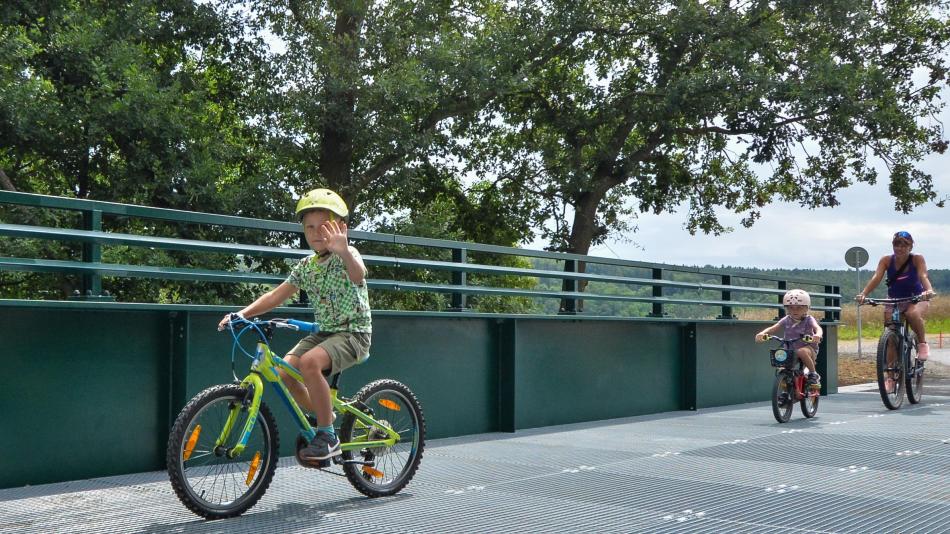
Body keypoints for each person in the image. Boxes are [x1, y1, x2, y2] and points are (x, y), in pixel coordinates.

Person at [217, 188, 372, 463]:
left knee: (309, 363)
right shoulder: (305, 266)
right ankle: (328, 416)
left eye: (323, 226)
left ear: (340, 228)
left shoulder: (349, 254)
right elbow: (276, 295)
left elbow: (357, 275)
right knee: (283, 373)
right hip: (324, 332)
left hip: (353, 334)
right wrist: (242, 314)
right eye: (308, 227)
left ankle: (327, 435)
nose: (315, 233)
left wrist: (344, 251)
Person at [855, 231, 936, 390]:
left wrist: (928, 290)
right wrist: (864, 294)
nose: (899, 248)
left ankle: (922, 343)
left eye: (904, 244)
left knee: (912, 314)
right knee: (891, 337)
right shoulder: (886, 260)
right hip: (894, 300)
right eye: (896, 244)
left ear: (910, 246)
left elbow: (923, 275)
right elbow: (877, 277)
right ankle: (890, 377)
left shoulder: (916, 259)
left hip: (916, 298)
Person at [755, 289, 824, 390]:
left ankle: (813, 374)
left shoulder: (809, 319)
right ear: (787, 309)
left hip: (808, 348)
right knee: (781, 363)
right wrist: (762, 333)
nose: (795, 311)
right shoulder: (787, 319)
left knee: (801, 351)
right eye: (791, 308)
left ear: (806, 308)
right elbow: (773, 328)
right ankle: (786, 391)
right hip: (790, 349)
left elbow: (817, 328)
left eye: (799, 308)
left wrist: (817, 335)